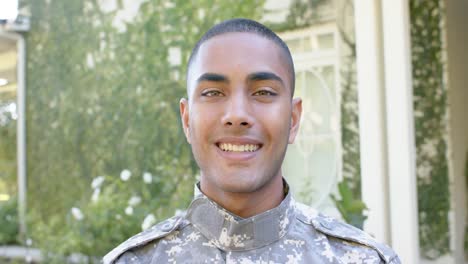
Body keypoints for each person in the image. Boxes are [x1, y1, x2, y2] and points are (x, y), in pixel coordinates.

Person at [103, 18, 401, 264]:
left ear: (293, 119)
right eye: (213, 93)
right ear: (187, 120)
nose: (237, 115)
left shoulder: (362, 260)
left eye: (263, 92)